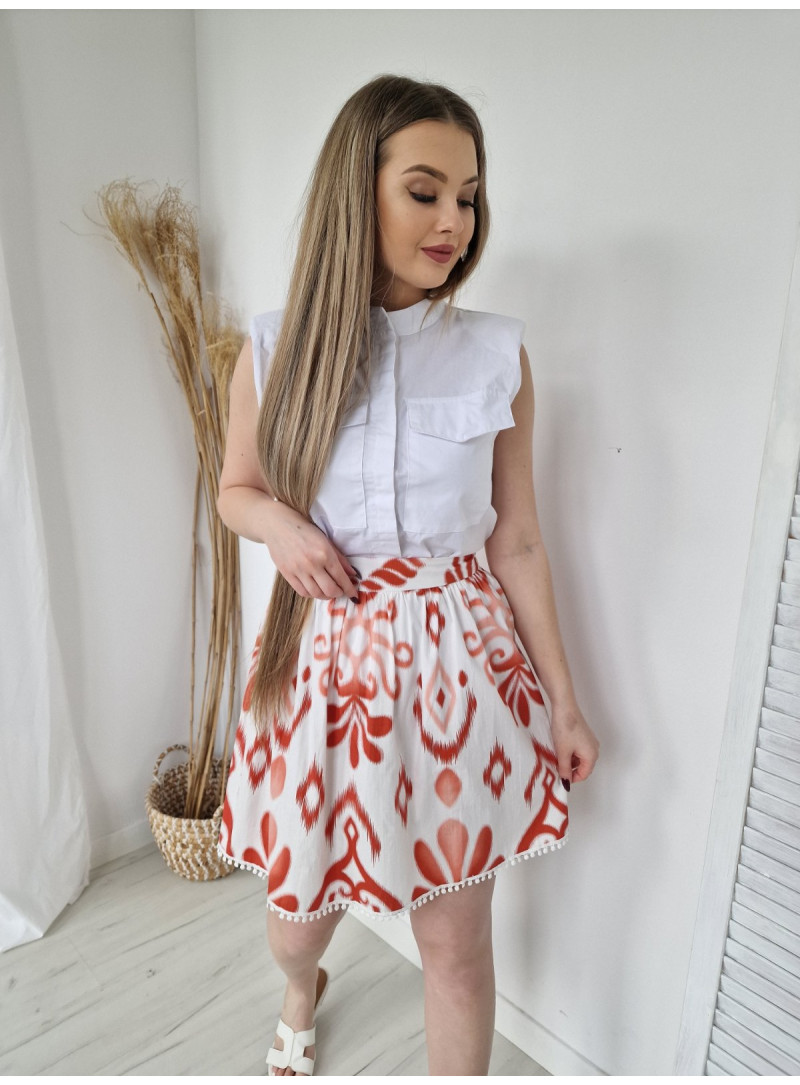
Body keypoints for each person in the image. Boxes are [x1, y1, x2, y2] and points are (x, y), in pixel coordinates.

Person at [215, 73, 599, 1078]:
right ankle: (300, 985)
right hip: (320, 667)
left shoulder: (497, 356)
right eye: (424, 191)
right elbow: (235, 490)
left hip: (459, 677)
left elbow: (518, 540)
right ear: (359, 191)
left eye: (467, 196)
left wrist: (563, 702)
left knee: (456, 946)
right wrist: (281, 527)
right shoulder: (273, 348)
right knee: (297, 919)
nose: (453, 222)